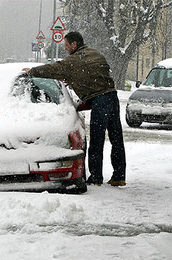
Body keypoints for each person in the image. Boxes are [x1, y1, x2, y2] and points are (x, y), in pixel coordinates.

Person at [23, 31, 126, 187]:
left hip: (100, 100)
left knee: (97, 141)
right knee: (116, 138)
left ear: (74, 44)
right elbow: (96, 77)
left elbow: (53, 69)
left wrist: (32, 72)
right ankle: (119, 175)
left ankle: (96, 177)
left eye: (66, 45)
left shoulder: (74, 61)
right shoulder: (95, 53)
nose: (65, 48)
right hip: (112, 97)